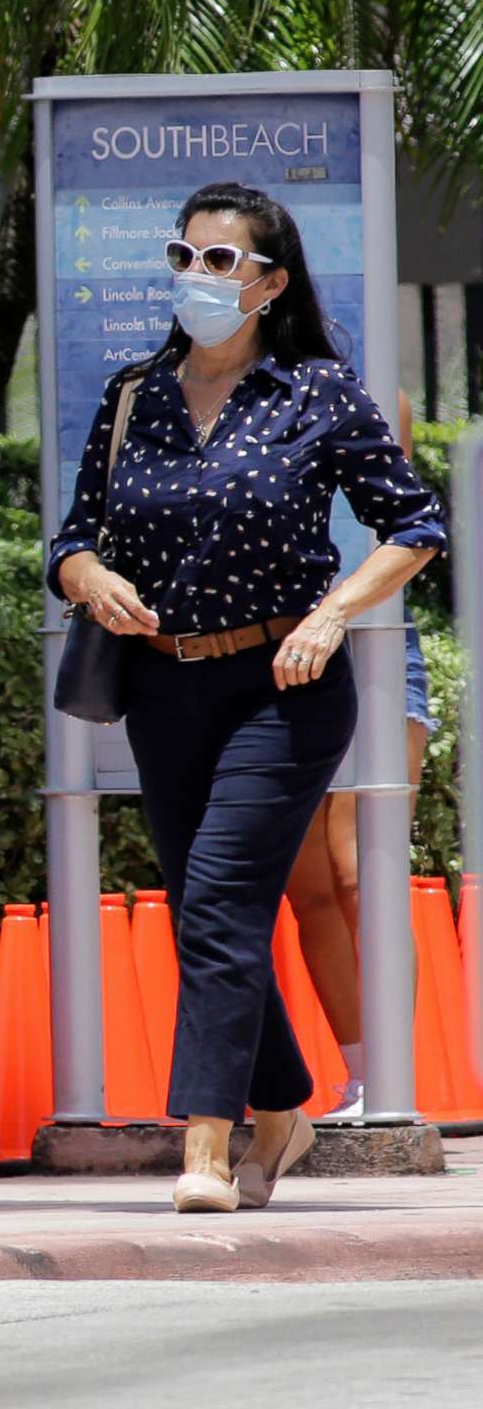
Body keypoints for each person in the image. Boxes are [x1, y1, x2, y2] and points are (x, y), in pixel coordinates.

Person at [51, 182, 442, 1214]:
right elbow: (72, 536)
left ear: (270, 283)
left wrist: (331, 614)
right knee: (204, 912)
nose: (196, 277)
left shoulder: (316, 392)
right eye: (185, 256)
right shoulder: (134, 393)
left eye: (220, 263)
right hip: (161, 688)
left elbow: (413, 524)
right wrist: (87, 577)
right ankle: (283, 1109)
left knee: (221, 899)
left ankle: (206, 1148)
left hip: (284, 684)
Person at [284, 391, 430, 1118]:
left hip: (371, 637)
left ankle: (392, 1083)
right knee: (308, 883)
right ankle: (361, 1076)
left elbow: (399, 513)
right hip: (274, 637)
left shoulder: (361, 377)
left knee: (358, 869)